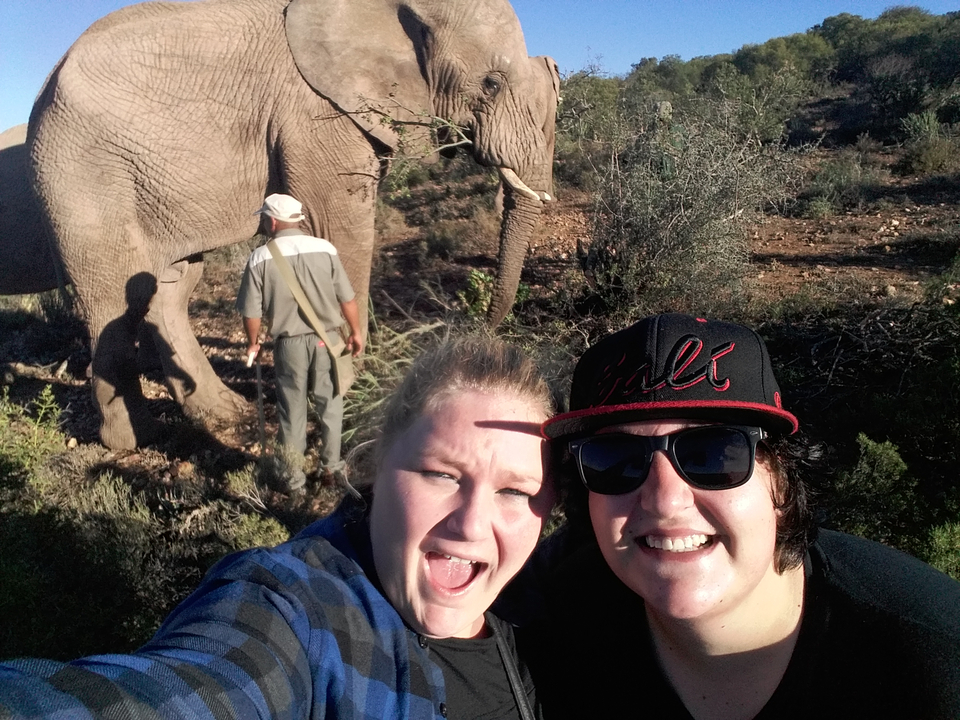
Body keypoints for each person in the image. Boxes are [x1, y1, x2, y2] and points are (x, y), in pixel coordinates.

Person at [0, 335, 557, 719]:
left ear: (549, 507)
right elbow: (206, 686)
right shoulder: (297, 608)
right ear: (373, 468)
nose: (472, 524)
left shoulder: (549, 611)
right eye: (440, 474)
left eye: (515, 490)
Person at [524, 313, 960, 720]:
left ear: (783, 482)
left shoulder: (932, 662)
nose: (664, 501)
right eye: (614, 459)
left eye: (712, 454)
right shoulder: (543, 631)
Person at [237, 192, 364, 491]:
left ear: (271, 220)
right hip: (327, 341)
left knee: (292, 411)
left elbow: (251, 312)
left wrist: (253, 341)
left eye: (263, 219)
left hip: (289, 344)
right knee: (331, 405)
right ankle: (331, 469)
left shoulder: (260, 257)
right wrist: (356, 332)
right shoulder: (325, 248)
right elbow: (347, 298)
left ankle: (293, 480)